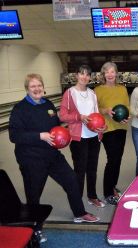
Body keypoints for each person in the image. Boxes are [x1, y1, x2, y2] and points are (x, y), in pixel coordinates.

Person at [8, 74, 100, 241]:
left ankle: (79, 213)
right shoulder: (20, 109)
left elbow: (56, 126)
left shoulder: (48, 105)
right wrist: (39, 136)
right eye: (32, 86)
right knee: (34, 194)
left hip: (51, 155)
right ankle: (33, 229)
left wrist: (65, 131)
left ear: (43, 87)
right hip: (31, 158)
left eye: (39, 85)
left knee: (71, 180)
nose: (36, 89)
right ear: (27, 89)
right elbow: (14, 136)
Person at [60, 65, 106, 208]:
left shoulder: (92, 93)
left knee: (92, 169)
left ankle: (92, 196)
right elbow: (63, 115)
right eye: (82, 74)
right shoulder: (70, 93)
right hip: (78, 137)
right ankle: (77, 199)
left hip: (94, 137)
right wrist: (79, 117)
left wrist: (103, 127)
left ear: (90, 77)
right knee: (79, 170)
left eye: (87, 74)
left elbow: (97, 114)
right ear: (77, 75)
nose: (84, 77)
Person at [94, 62, 130, 205]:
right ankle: (108, 192)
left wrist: (125, 117)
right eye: (107, 72)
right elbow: (96, 109)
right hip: (107, 128)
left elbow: (126, 106)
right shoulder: (97, 90)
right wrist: (106, 111)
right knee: (112, 159)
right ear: (103, 74)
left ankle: (113, 186)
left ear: (116, 73)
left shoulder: (122, 89)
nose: (110, 74)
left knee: (118, 159)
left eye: (112, 71)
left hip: (121, 127)